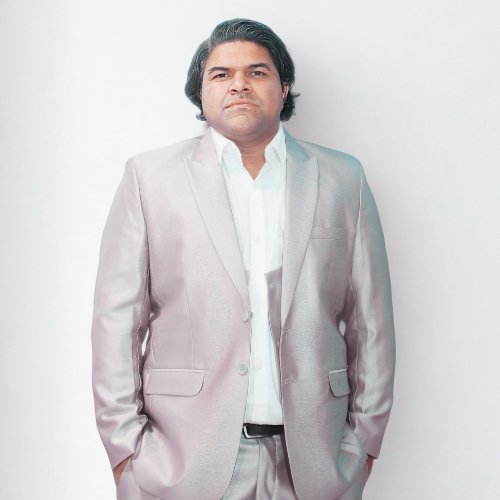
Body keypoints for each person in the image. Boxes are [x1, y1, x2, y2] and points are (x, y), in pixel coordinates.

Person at [92, 18, 395, 500]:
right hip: (181, 462)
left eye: (257, 72)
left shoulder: (343, 178)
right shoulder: (150, 178)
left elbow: (370, 322)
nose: (239, 84)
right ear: (200, 91)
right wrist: (126, 449)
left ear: (283, 87)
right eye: (221, 74)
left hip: (315, 462)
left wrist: (363, 446)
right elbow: (118, 320)